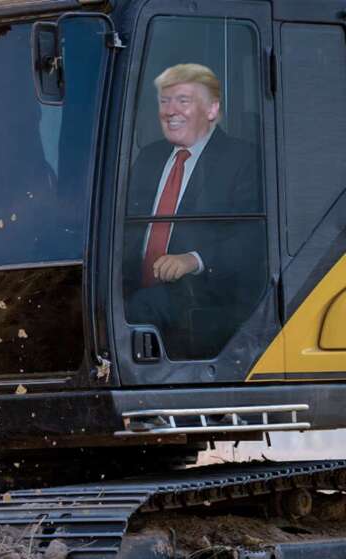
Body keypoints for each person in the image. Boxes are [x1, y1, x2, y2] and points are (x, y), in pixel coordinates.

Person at [124, 63, 264, 359]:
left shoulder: (242, 159)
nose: (170, 111)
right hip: (133, 284)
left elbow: (253, 239)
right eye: (164, 101)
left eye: (182, 101)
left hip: (204, 295)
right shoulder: (149, 157)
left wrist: (194, 260)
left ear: (212, 109)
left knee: (136, 309)